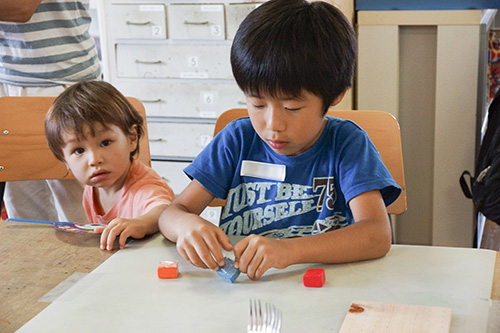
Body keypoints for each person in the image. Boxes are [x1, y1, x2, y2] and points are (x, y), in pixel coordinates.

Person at [158, 0, 401, 280]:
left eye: (292, 108)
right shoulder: (238, 139)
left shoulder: (347, 144)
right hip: (247, 295)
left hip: (328, 290)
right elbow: (171, 213)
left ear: (334, 95)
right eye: (257, 104)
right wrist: (187, 225)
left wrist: (288, 251)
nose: (273, 125)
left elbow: (376, 234)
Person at [0, 0, 101, 224]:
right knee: (25, 219)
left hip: (57, 79)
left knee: (83, 217)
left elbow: (21, 8)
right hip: (8, 77)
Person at [45, 81, 175, 250]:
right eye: (79, 151)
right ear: (65, 160)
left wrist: (140, 224)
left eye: (105, 142)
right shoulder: (93, 187)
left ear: (131, 138)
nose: (94, 160)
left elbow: (165, 211)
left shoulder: (144, 187)